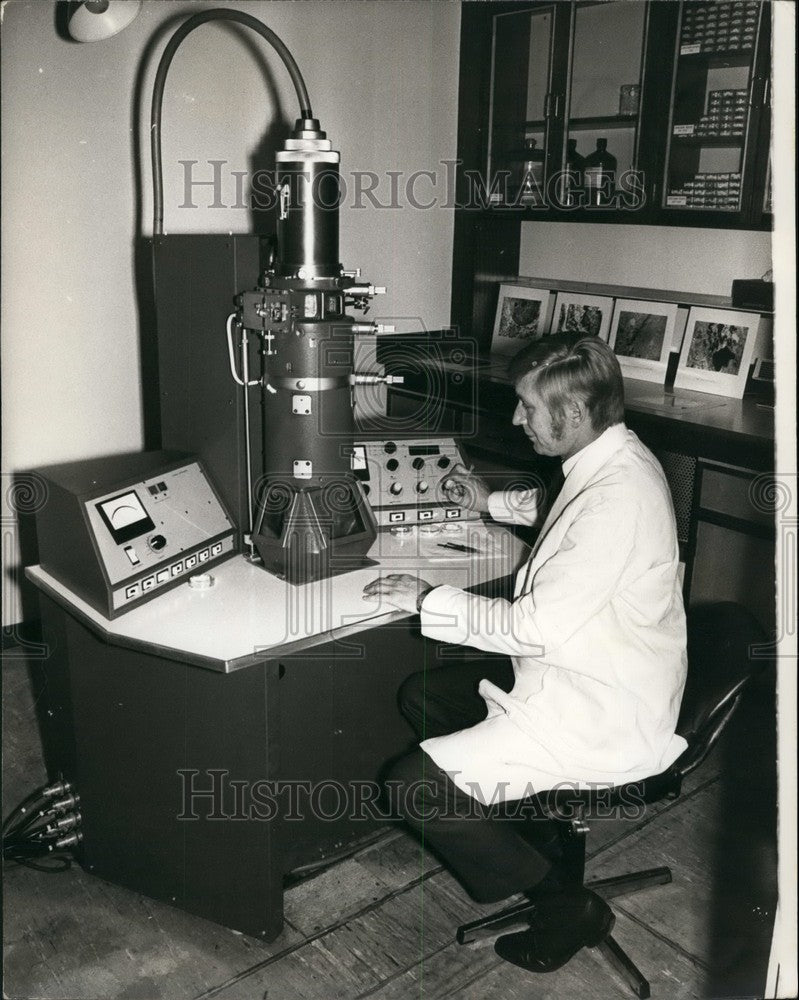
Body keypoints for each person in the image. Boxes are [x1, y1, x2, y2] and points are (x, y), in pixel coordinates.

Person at [362, 334, 687, 974]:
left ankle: (563, 901)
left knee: (413, 788)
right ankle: (527, 831)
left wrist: (428, 598)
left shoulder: (617, 498)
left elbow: (534, 627)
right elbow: (562, 511)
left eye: (527, 408)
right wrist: (487, 503)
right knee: (424, 696)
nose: (517, 420)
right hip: (592, 666)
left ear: (570, 416)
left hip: (601, 707)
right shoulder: (614, 456)